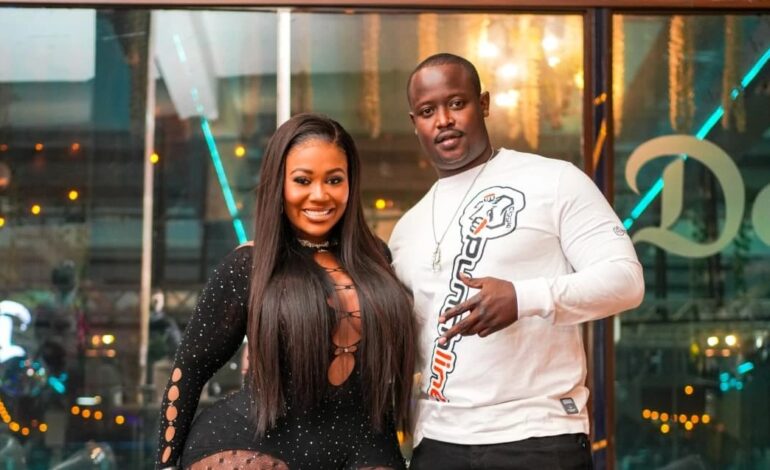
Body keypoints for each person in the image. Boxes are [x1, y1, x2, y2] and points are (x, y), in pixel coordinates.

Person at [388, 53, 644, 469]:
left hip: (537, 436)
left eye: (457, 103)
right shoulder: (407, 229)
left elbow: (626, 280)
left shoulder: (554, 180)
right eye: (428, 111)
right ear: (414, 122)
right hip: (437, 442)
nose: (443, 120)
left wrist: (523, 298)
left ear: (484, 104)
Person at [155, 113, 416, 470]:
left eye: (334, 180)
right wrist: (165, 466)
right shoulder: (249, 265)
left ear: (351, 183)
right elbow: (189, 370)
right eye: (302, 180)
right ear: (279, 183)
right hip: (254, 447)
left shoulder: (377, 259)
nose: (319, 195)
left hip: (364, 445)